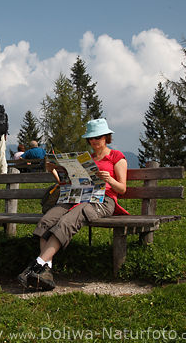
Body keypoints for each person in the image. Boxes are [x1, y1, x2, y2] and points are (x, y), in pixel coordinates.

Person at [17, 118, 128, 291]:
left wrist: (110, 180)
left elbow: (122, 189)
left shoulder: (116, 157)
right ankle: (46, 274)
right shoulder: (85, 159)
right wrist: (53, 170)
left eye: (98, 137)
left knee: (66, 222)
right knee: (47, 220)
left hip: (102, 200)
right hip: (78, 197)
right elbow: (70, 183)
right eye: (91, 138)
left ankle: (37, 266)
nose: (94, 141)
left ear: (106, 137)